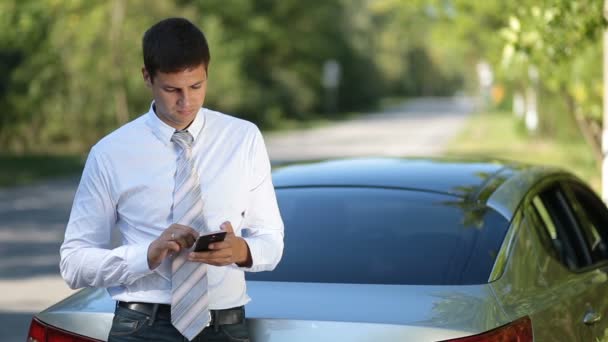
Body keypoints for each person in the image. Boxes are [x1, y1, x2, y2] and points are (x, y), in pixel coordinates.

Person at [59, 17, 284, 342]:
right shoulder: (110, 153)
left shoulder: (243, 138)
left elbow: (271, 239)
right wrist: (145, 255)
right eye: (172, 89)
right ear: (147, 77)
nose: (186, 102)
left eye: (196, 86)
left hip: (226, 326)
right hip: (141, 326)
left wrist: (242, 250)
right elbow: (74, 262)